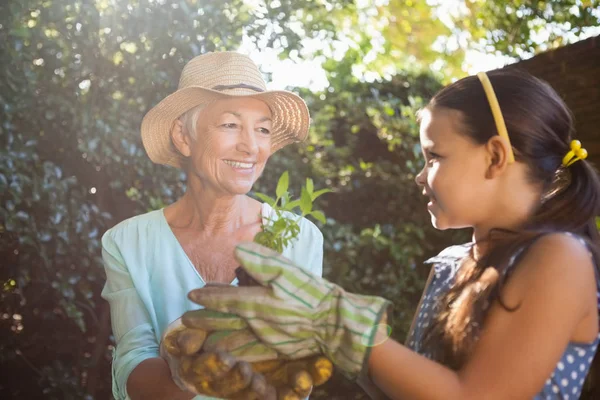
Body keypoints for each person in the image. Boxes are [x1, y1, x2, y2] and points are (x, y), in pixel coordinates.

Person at [185, 69, 600, 399]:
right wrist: (328, 344)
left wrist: (344, 323)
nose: (420, 176)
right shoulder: (451, 265)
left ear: (494, 156)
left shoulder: (559, 258)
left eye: (434, 156)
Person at [100, 51, 324, 400]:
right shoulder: (127, 242)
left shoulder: (301, 239)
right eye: (230, 124)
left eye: (262, 129)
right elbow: (133, 360)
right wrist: (187, 374)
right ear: (183, 137)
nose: (251, 146)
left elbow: (298, 372)